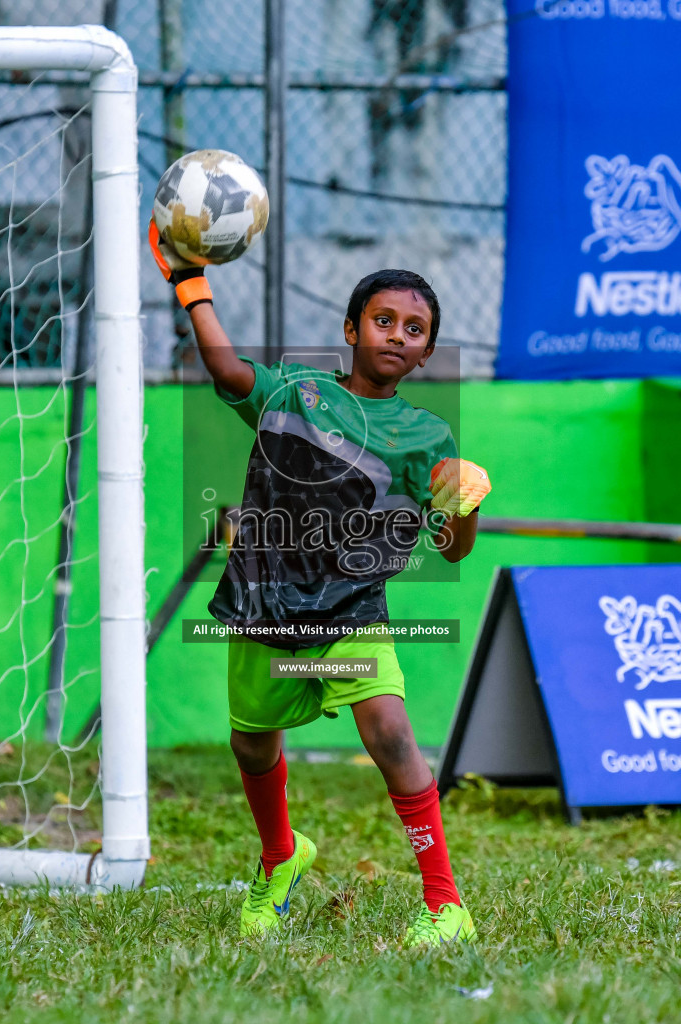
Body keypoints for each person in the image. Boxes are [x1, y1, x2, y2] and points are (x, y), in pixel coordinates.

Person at [149, 223, 491, 947]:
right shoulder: (296, 393)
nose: (397, 335)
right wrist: (192, 286)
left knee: (391, 732)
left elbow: (450, 546)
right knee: (252, 747)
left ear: (427, 353)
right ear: (350, 329)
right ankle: (282, 856)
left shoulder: (426, 437)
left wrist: (466, 505)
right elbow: (226, 373)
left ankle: (445, 906)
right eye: (383, 320)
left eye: (415, 329)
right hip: (264, 604)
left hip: (349, 612)